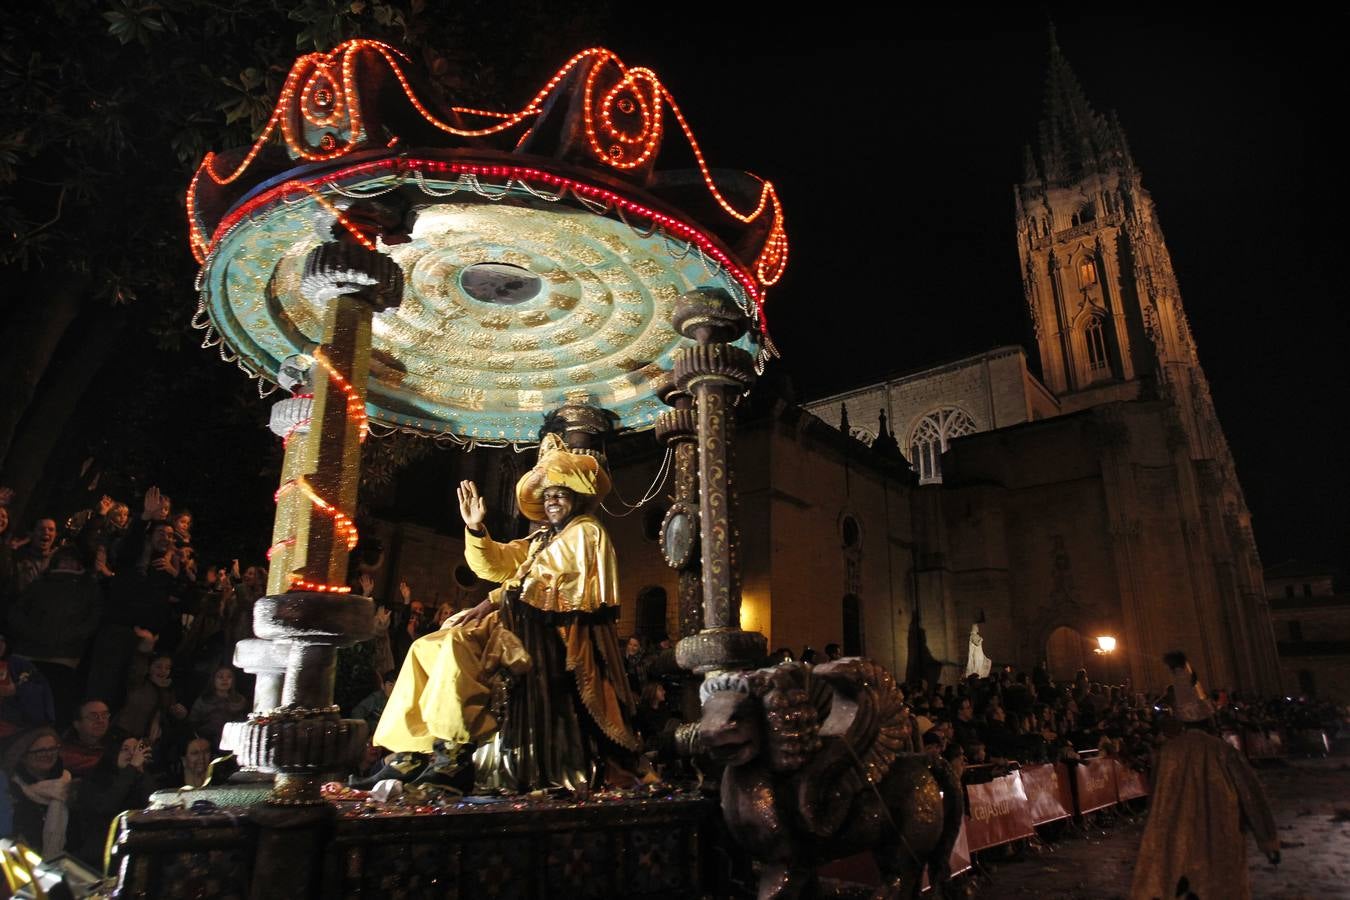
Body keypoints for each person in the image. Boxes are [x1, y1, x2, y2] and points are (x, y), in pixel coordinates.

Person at [373, 434, 641, 793]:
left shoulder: (584, 531)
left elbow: (545, 581)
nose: (552, 502)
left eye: (559, 494)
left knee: (457, 644)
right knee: (424, 647)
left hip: (543, 630)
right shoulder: (541, 539)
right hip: (512, 618)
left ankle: (454, 753)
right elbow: (496, 563)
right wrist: (475, 528)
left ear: (576, 497)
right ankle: (411, 751)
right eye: (547, 496)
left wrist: (490, 602)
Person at [1129, 652, 1279, 900]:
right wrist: (1268, 839)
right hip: (1218, 838)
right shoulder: (1223, 751)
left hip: (1175, 842)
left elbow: (1154, 799)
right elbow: (1251, 795)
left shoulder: (1167, 752)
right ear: (1208, 719)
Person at [5, 726, 71, 857]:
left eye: (52, 749)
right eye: (39, 750)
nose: (47, 754)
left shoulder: (69, 783)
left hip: (67, 861)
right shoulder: (11, 788)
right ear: (23, 755)